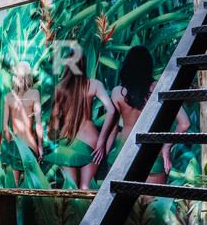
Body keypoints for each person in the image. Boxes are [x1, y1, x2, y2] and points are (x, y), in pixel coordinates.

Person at [96, 45, 190, 184]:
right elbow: (185, 124)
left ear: (126, 66)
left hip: (123, 154)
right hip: (151, 154)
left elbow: (114, 129)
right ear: (149, 66)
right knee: (152, 205)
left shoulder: (117, 92)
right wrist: (167, 146)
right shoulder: (160, 88)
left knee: (121, 204)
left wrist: (105, 155)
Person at [44, 45, 112, 190]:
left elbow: (55, 119)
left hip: (67, 141)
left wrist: (53, 140)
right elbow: (112, 111)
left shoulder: (60, 88)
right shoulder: (94, 85)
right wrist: (102, 140)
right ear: (84, 63)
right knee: (86, 188)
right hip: (90, 140)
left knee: (70, 188)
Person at [0, 61, 43, 186]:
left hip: (15, 145)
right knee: (28, 188)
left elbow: (5, 128)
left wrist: (10, 144)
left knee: (14, 187)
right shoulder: (35, 94)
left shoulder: (8, 97)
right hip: (30, 145)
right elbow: (38, 125)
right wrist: (40, 146)